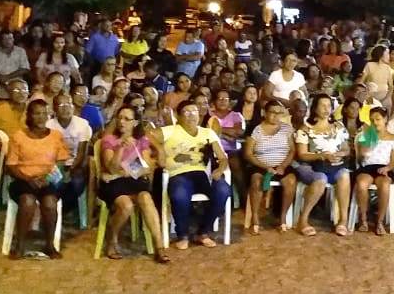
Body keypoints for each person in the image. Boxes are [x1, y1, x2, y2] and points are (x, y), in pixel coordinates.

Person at [152, 101, 231, 250]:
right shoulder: (170, 131)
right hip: (179, 173)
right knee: (179, 195)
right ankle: (183, 235)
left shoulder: (207, 132)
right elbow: (148, 134)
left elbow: (223, 157)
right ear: (178, 116)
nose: (192, 115)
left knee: (223, 190)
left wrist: (220, 170)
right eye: (187, 112)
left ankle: (204, 231)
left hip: (203, 173)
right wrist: (160, 149)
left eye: (194, 111)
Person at [98, 106, 170, 263]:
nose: (122, 122)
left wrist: (128, 172)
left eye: (127, 119)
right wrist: (120, 148)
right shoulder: (109, 140)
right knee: (126, 206)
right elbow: (111, 167)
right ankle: (112, 239)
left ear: (135, 122)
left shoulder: (141, 140)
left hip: (133, 180)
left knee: (146, 198)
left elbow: (146, 167)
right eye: (120, 118)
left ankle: (159, 247)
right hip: (114, 183)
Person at [5, 99, 72, 259]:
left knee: (49, 203)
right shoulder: (18, 136)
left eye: (44, 113)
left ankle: (49, 245)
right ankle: (20, 245)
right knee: (27, 201)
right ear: (29, 115)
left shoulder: (56, 136)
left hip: (49, 179)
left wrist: (47, 178)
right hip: (23, 180)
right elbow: (11, 166)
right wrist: (29, 179)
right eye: (37, 113)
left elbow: (62, 163)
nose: (41, 117)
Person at [294, 93, 352, 236]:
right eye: (323, 105)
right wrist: (322, 155)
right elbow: (302, 154)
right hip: (310, 166)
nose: (327, 109)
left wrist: (338, 155)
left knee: (344, 175)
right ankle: (303, 219)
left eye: (329, 106)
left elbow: (346, 149)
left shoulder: (338, 126)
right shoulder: (305, 129)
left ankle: (343, 220)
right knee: (320, 179)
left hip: (333, 165)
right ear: (315, 108)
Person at [242, 99, 297, 232]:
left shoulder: (286, 129)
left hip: (281, 165)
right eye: (272, 112)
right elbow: (248, 154)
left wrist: (283, 166)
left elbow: (292, 150)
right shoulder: (256, 129)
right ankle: (255, 218)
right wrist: (265, 166)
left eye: (279, 113)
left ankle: (282, 218)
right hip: (260, 165)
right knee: (256, 181)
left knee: (290, 181)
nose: (276, 116)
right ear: (264, 113)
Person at [47, 91, 93, 224]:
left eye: (69, 104)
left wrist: (71, 169)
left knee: (76, 183)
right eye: (61, 104)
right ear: (54, 108)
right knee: (54, 183)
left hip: (75, 164)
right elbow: (47, 152)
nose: (66, 107)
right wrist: (58, 169)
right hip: (53, 165)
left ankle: (63, 210)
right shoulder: (48, 125)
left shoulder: (82, 124)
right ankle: (52, 212)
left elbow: (81, 152)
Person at [354, 107, 394, 235]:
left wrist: (387, 168)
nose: (375, 122)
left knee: (385, 185)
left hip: (383, 168)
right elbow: (360, 157)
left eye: (378, 119)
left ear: (385, 119)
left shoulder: (393, 138)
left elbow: (393, 162)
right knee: (362, 184)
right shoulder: (366, 135)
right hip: (367, 167)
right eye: (372, 120)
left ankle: (379, 221)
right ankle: (363, 218)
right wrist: (368, 143)